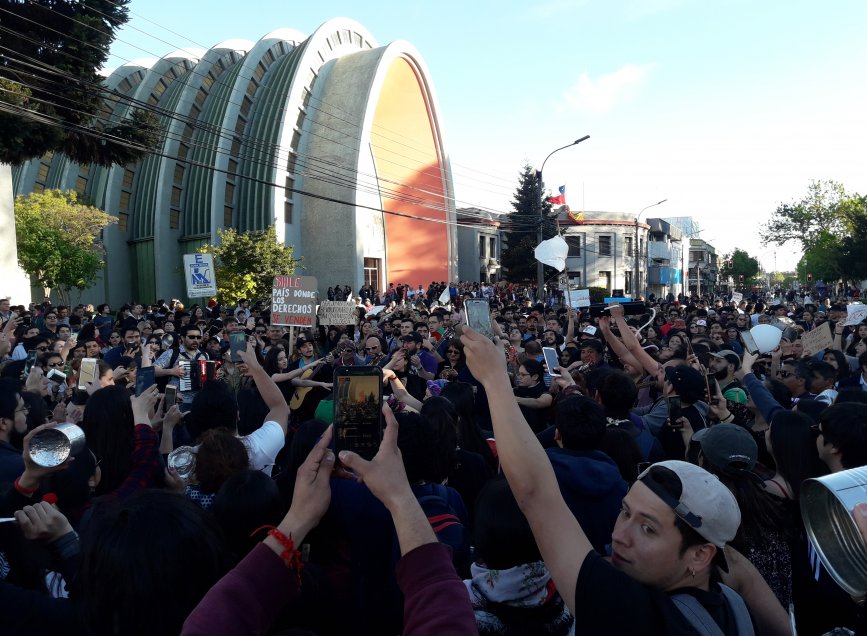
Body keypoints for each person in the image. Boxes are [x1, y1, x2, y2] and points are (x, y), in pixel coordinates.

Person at [459, 326, 789, 636]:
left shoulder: (631, 611)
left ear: (701, 556)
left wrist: (495, 380)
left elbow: (536, 496)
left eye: (648, 528)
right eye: (625, 511)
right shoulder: (731, 600)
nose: (619, 536)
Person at [182, 414, 477, 636]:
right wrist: (400, 498)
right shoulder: (447, 500)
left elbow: (217, 616)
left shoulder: (349, 495)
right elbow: (443, 605)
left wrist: (298, 519)